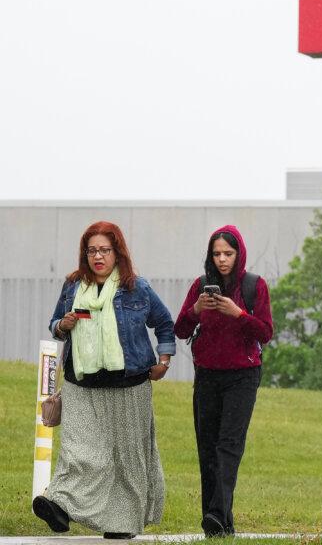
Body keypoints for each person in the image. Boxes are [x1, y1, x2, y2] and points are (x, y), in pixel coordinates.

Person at [33, 221, 175, 539]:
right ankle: (58, 505)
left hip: (130, 385)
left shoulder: (136, 287)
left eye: (104, 250)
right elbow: (53, 324)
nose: (98, 256)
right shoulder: (72, 286)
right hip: (82, 385)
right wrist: (62, 324)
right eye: (92, 250)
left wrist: (163, 360)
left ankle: (121, 524)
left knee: (127, 457)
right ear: (85, 254)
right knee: (79, 452)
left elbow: (164, 323)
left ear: (117, 252)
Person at [173, 225, 273, 537]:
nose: (222, 259)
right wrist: (195, 309)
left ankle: (216, 513)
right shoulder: (201, 286)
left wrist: (238, 313)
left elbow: (266, 332)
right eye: (216, 254)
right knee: (208, 448)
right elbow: (180, 330)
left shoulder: (255, 286)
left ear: (239, 253)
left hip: (242, 376)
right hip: (207, 377)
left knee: (228, 446)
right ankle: (218, 524)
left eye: (228, 253)